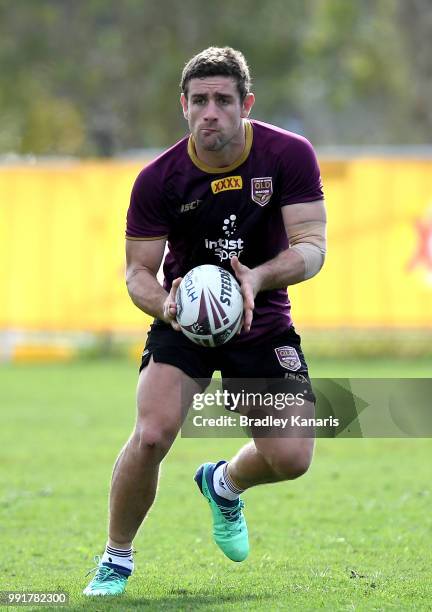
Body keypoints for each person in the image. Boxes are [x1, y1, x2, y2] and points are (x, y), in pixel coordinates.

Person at [84, 46, 326, 597]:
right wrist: (166, 305)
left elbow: (312, 247)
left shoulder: (288, 155)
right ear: (184, 106)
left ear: (247, 105)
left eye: (223, 99)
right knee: (150, 435)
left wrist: (259, 278)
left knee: (291, 457)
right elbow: (138, 274)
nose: (210, 111)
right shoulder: (158, 178)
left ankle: (224, 483)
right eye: (199, 100)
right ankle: (115, 557)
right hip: (184, 319)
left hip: (260, 316)